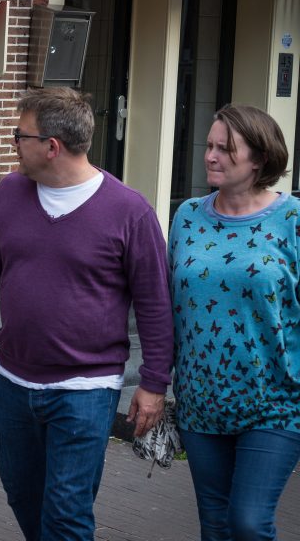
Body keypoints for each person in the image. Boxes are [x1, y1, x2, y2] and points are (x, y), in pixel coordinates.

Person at [0, 86, 173, 541]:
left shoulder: (130, 212)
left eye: (19, 135)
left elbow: (155, 305)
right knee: (23, 495)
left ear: (52, 147)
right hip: (15, 383)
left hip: (86, 389)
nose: (13, 145)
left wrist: (153, 384)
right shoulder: (9, 193)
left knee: (66, 513)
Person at [168, 104, 300, 541]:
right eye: (209, 145)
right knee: (216, 523)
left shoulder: (293, 220)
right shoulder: (187, 216)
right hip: (201, 399)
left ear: (260, 158)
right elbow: (168, 304)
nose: (211, 156)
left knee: (249, 521)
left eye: (226, 149)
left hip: (274, 399)